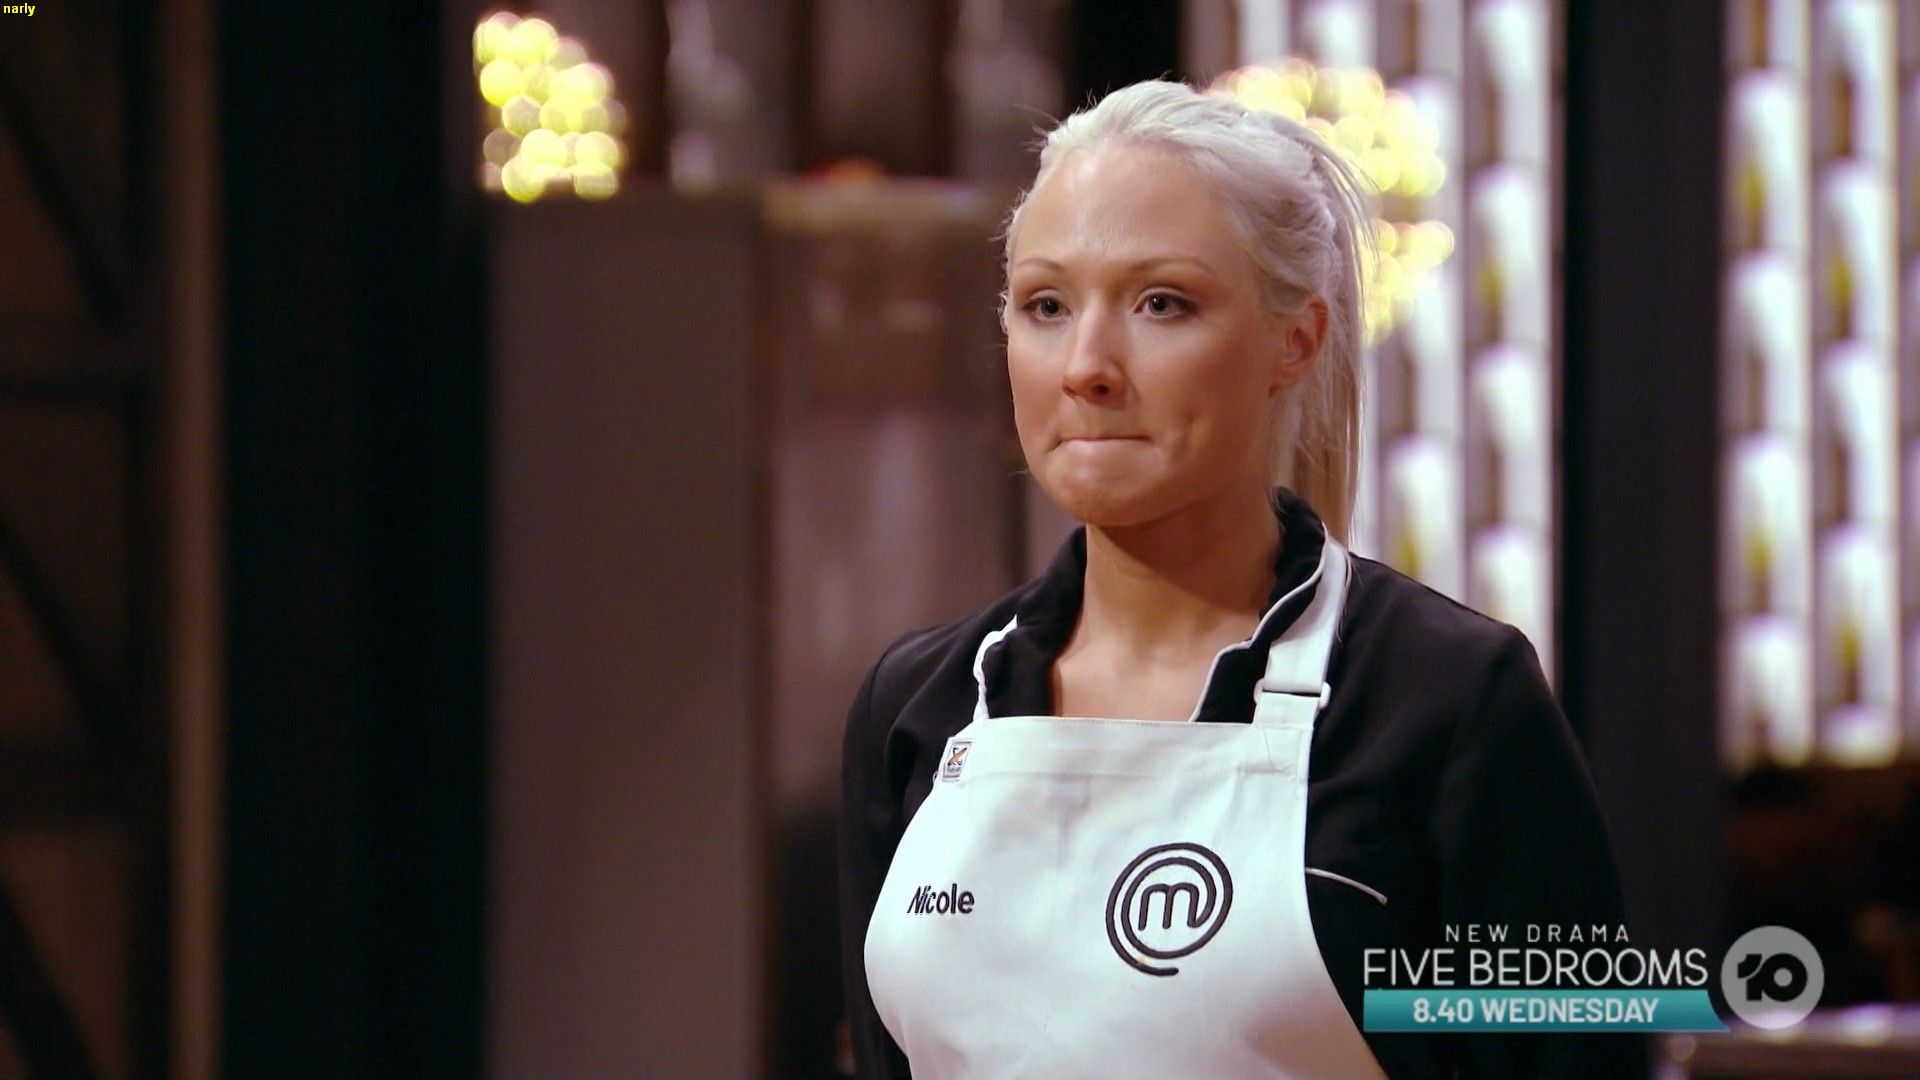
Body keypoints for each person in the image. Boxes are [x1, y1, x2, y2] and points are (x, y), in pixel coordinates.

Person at [837, 79, 1643, 1078]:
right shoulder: (915, 708)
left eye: (1161, 303)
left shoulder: (1449, 702)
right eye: (1046, 305)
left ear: (1293, 342)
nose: (1086, 365)